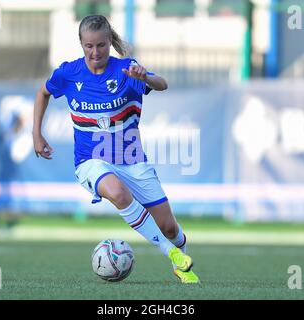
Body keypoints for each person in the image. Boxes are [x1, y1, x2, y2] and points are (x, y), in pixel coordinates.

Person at [33, 15, 199, 284]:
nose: (95, 52)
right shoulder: (68, 73)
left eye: (101, 45)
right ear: (81, 44)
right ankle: (173, 255)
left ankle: (179, 252)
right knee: (118, 193)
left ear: (110, 42)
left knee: (169, 227)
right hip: (91, 161)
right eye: (89, 46)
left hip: (132, 160)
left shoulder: (127, 69)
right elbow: (43, 93)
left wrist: (145, 77)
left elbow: (163, 84)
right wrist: (36, 133)